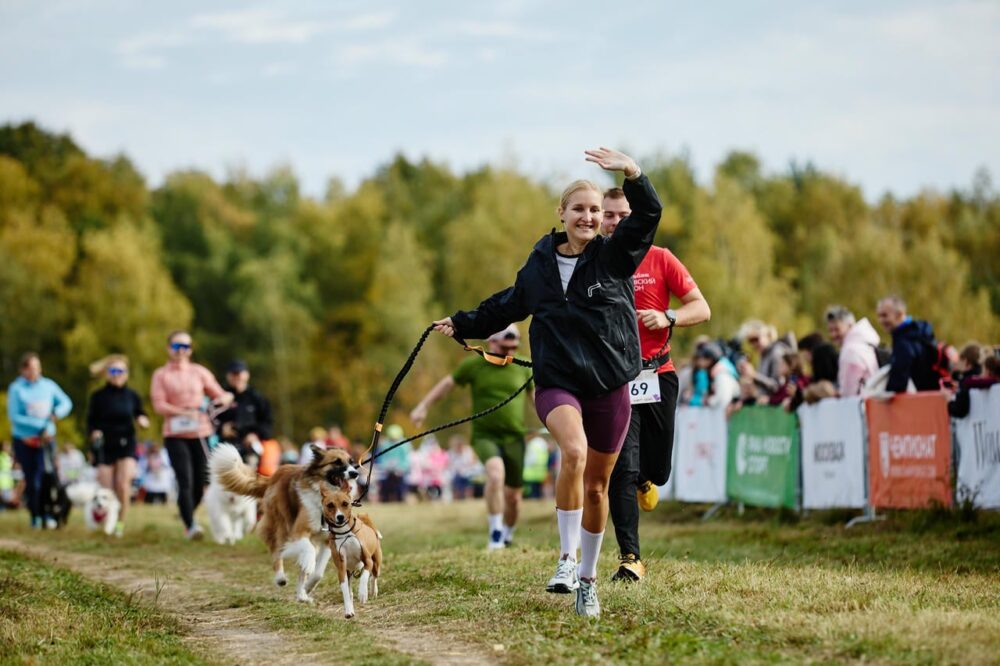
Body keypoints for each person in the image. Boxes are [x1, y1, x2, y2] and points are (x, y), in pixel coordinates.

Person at [432, 147, 662, 617]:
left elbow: (650, 214)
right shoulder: (540, 264)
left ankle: (588, 582)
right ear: (561, 213)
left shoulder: (614, 256)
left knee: (597, 486)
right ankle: (564, 558)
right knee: (573, 453)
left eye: (595, 210)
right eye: (579, 208)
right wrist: (461, 322)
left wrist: (634, 173)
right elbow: (508, 304)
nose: (588, 217)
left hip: (610, 382)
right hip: (558, 382)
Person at [600, 185, 710, 583]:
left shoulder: (661, 258)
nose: (615, 223)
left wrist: (669, 317)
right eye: (608, 215)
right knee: (620, 469)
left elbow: (702, 307)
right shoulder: (593, 262)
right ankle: (630, 556)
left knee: (657, 469)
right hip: (615, 379)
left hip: (659, 374)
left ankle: (649, 477)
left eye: (623, 215)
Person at [410, 324, 534, 549]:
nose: (511, 352)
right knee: (495, 475)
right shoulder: (474, 365)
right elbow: (447, 385)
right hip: (485, 436)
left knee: (514, 498)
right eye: (506, 348)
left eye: (514, 348)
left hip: (515, 437)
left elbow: (537, 400)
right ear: (492, 342)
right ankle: (495, 534)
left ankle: (507, 533)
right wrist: (423, 406)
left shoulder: (524, 367)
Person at [150, 330, 233, 539]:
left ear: (190, 350)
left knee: (202, 480)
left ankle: (187, 512)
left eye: (185, 347)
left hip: (200, 433)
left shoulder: (199, 372)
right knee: (184, 479)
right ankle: (190, 526)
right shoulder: (161, 375)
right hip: (175, 435)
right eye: (177, 346)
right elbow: (159, 404)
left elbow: (218, 393)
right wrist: (184, 412)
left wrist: (225, 397)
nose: (181, 351)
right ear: (169, 349)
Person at [7, 352, 73, 529]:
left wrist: (55, 414)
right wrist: (40, 425)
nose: (35, 372)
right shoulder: (16, 389)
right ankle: (36, 514)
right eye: (31, 368)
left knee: (49, 478)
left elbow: (66, 403)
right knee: (33, 479)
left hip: (47, 440)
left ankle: (50, 514)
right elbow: (15, 416)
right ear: (24, 370)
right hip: (25, 440)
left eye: (38, 368)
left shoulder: (48, 385)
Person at [86, 354, 150, 537]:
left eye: (121, 371)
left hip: (126, 442)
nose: (117, 374)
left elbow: (140, 412)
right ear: (107, 374)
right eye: (113, 371)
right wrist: (94, 432)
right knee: (106, 488)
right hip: (105, 444)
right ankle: (107, 521)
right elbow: (90, 421)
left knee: (123, 484)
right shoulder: (98, 397)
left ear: (126, 374)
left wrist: (142, 420)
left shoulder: (132, 396)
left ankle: (120, 524)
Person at [875, 296, 942, 392]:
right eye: (879, 316)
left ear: (899, 314)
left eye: (885, 315)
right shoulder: (920, 333)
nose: (881, 320)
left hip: (919, 401)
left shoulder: (904, 341)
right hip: (933, 397)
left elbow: (898, 382)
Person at [217, 359, 274, 464]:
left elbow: (267, 422)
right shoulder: (221, 396)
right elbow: (210, 420)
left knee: (249, 476)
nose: (236, 377)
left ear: (246, 375)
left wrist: (255, 435)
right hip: (226, 448)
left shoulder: (257, 398)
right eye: (233, 374)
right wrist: (222, 428)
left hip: (250, 448)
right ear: (228, 376)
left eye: (239, 373)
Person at [825, 305, 880, 396]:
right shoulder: (866, 343)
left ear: (850, 326)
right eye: (830, 330)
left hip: (860, 406)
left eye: (837, 329)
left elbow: (848, 392)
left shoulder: (850, 350)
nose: (833, 335)